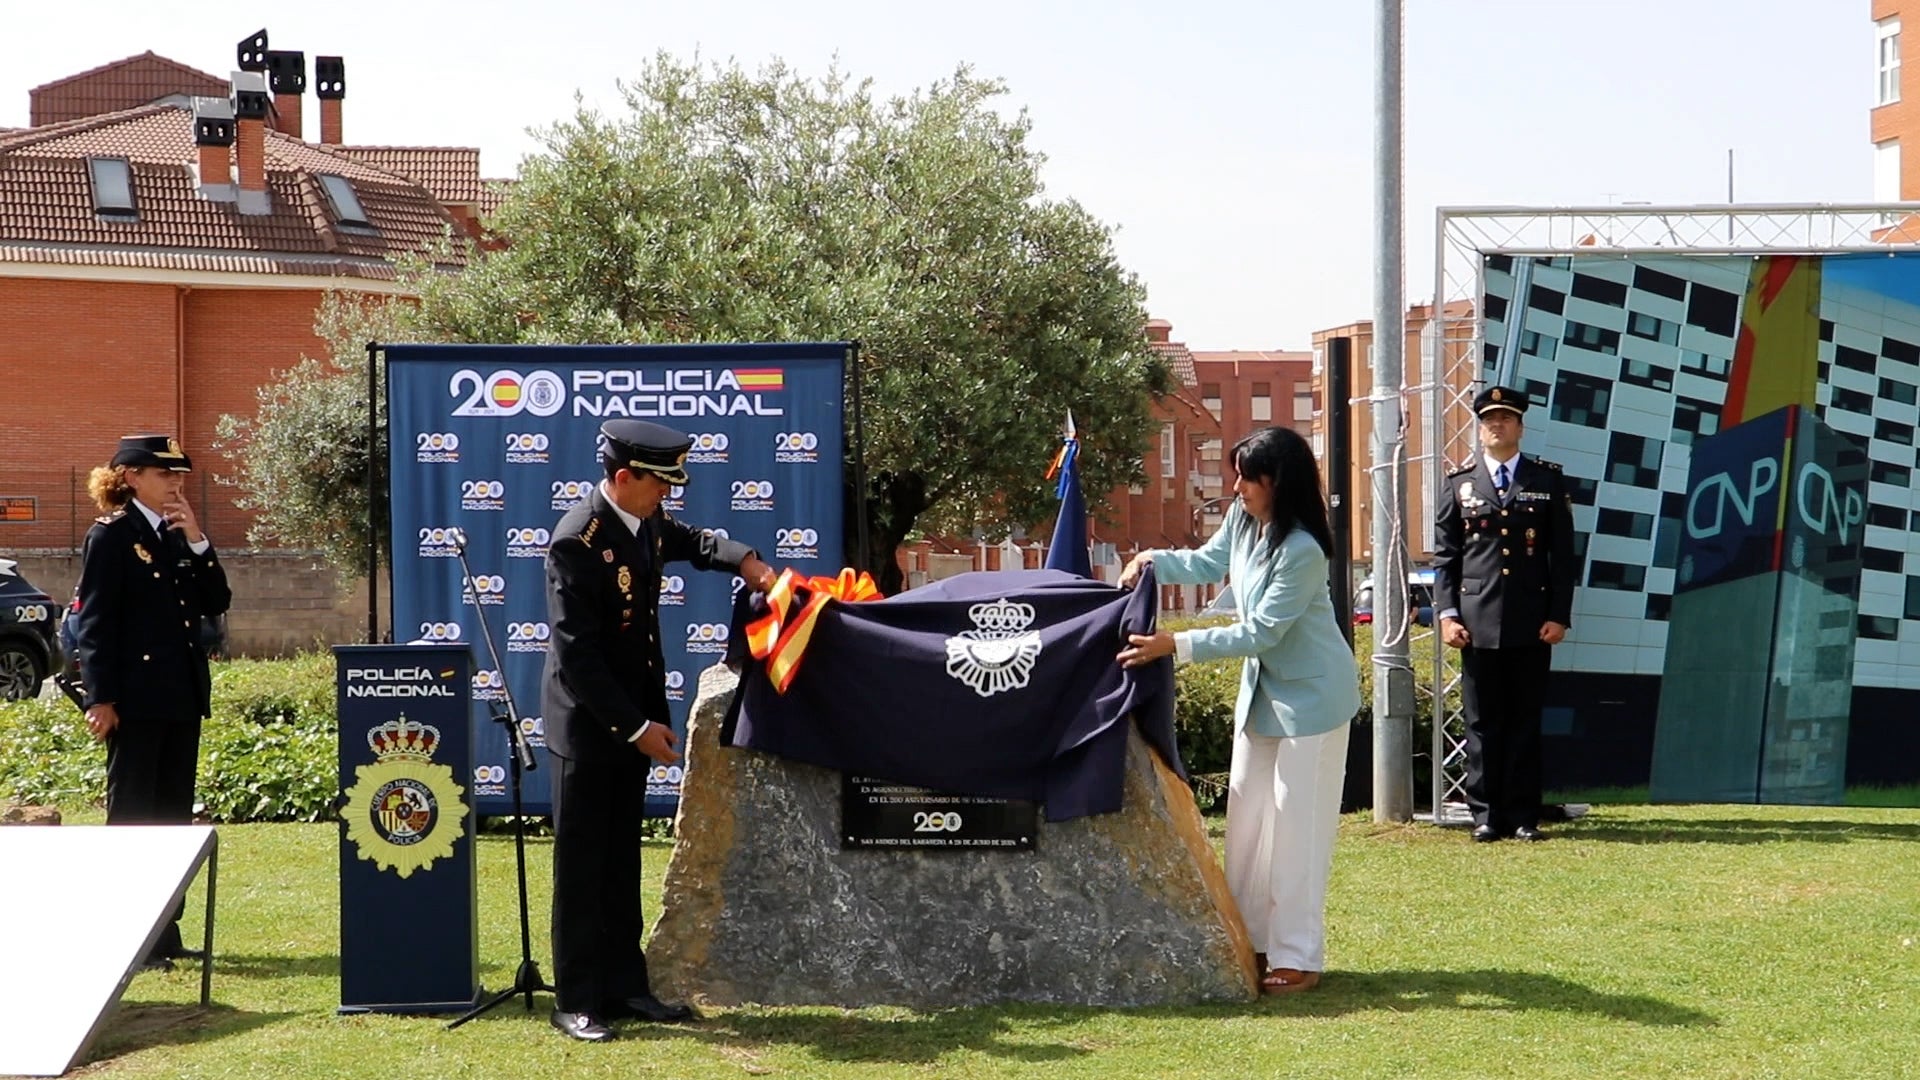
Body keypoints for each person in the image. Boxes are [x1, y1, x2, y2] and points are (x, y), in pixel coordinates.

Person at [542, 419, 777, 1042]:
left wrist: (748, 563)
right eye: (658, 484)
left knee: (621, 860)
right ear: (624, 478)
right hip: (593, 728)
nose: (666, 496)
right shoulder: (578, 541)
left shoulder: (643, 522)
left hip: (635, 720)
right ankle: (576, 999)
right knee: (583, 865)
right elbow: (577, 658)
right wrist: (636, 727)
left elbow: (696, 542)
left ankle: (624, 987)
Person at [1117, 426, 1359, 995]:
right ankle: (1245, 939)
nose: (1238, 486)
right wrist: (1152, 559)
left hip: (1315, 701)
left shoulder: (1303, 549)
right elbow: (1205, 563)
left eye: (1249, 477)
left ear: (1280, 482)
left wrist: (1175, 643)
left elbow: (1261, 632)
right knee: (1248, 820)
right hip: (1264, 696)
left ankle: (1299, 956)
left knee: (1298, 830)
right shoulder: (1243, 520)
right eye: (1238, 474)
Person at [71, 434, 232, 969]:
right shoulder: (113, 536)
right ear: (131, 476)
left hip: (180, 696)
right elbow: (95, 623)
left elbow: (217, 602)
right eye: (166, 475)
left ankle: (164, 933)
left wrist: (198, 540)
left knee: (169, 818)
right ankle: (126, 934)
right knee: (134, 815)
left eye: (180, 476)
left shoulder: (172, 534)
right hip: (135, 700)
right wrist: (102, 697)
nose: (176, 484)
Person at [1432, 385, 1578, 843]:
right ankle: (1485, 814)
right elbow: (1445, 560)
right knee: (1481, 722)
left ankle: (1523, 815)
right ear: (1479, 428)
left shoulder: (1546, 481)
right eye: (1489, 419)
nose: (1497, 425)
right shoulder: (1459, 483)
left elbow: (1564, 557)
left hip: (1532, 621)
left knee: (1524, 721)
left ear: (1520, 426)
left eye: (1506, 418)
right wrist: (1448, 615)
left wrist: (1560, 615)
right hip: (1474, 624)